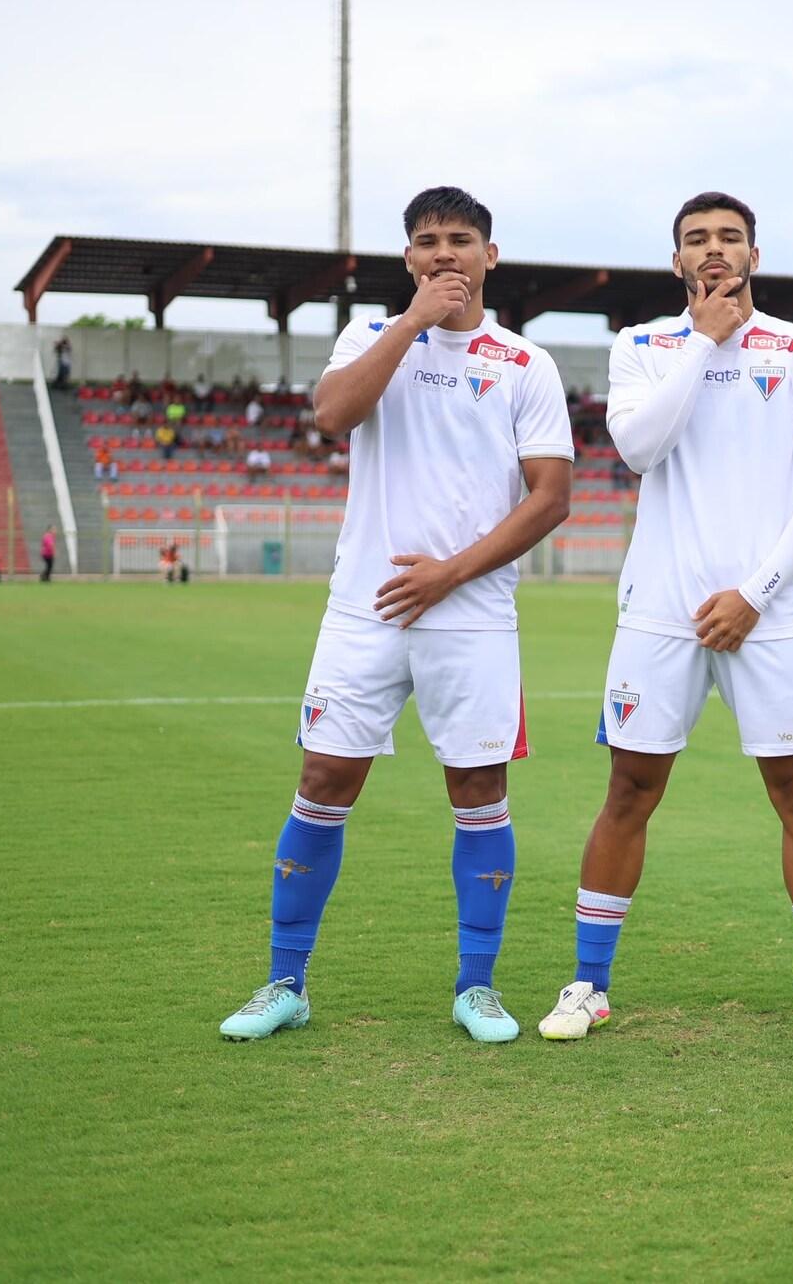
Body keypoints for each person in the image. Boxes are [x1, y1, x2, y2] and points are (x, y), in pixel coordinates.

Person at [218, 185, 573, 1044]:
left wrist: (448, 574)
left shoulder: (527, 364)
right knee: (322, 785)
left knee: (480, 793)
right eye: (427, 241)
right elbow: (333, 414)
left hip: (473, 615)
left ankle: (476, 987)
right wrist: (413, 322)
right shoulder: (371, 337)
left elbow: (552, 497)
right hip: (365, 610)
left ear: (492, 256)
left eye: (461, 240)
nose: (445, 253)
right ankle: (285, 981)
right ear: (408, 259)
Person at [535, 191, 793, 1045]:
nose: (714, 251)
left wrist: (757, 592)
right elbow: (640, 448)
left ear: (755, 252)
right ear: (676, 260)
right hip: (659, 615)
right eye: (696, 241)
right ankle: (589, 984)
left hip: (772, 613)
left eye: (729, 238)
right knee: (629, 791)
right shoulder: (641, 346)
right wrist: (706, 341)